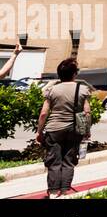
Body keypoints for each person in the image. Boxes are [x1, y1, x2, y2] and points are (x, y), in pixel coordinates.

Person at [35, 57, 92, 198]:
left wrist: (39, 131)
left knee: (54, 161)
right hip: (74, 129)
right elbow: (87, 112)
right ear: (74, 74)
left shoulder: (52, 90)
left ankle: (54, 192)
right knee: (69, 160)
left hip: (54, 129)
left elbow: (43, 113)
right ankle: (65, 191)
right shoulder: (82, 89)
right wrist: (86, 131)